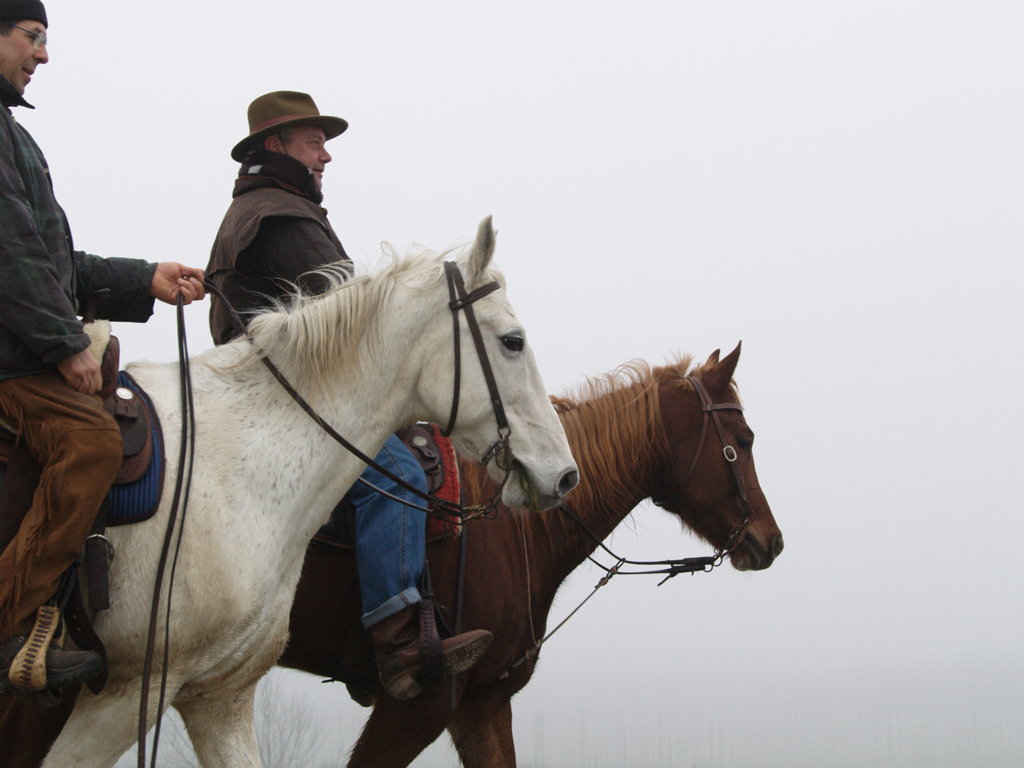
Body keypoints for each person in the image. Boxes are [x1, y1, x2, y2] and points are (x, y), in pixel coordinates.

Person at [205, 91, 492, 701]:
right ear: (276, 145)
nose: (326, 155)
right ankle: (395, 641)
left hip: (285, 390)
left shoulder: (277, 207)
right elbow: (357, 320)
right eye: (315, 142)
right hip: (281, 402)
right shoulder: (276, 215)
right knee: (396, 473)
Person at [0, 0, 207, 697]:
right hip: (8, 363)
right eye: (33, 38)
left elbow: (55, 261)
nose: (44, 55)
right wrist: (65, 345)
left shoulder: (15, 138)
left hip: (20, 349)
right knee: (90, 443)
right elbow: (10, 256)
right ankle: (7, 628)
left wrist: (144, 277)